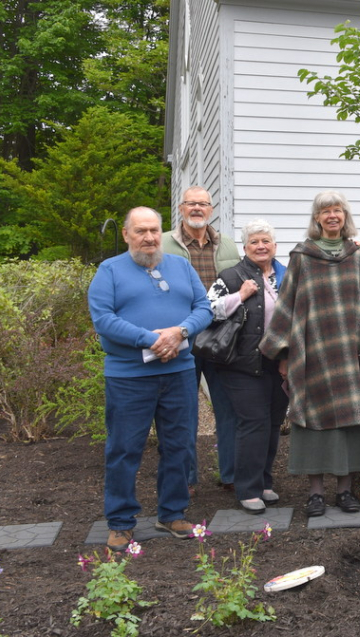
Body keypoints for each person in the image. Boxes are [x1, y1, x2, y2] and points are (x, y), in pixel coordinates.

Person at [88, 207, 212, 552]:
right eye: (140, 231)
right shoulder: (109, 271)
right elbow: (103, 319)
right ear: (127, 234)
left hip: (179, 373)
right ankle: (121, 522)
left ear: (163, 233)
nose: (149, 237)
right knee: (124, 449)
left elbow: (204, 308)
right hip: (129, 377)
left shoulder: (181, 266)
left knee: (180, 446)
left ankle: (172, 513)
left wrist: (179, 331)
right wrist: (152, 340)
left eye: (154, 230)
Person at [260, 191, 360, 517]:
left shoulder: (359, 258)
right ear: (317, 219)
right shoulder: (302, 257)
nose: (332, 216)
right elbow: (288, 306)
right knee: (314, 424)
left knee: (351, 424)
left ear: (345, 217)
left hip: (352, 355)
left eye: (338, 211)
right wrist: (285, 354)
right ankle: (316, 494)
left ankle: (344, 491)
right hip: (312, 354)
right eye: (326, 212)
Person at [206, 219, 289, 515]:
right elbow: (208, 311)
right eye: (254, 241)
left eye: (266, 240)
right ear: (245, 247)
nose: (261, 246)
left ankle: (264, 482)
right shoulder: (231, 276)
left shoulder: (288, 276)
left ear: (275, 246)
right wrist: (239, 296)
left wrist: (288, 358)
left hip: (278, 362)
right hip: (241, 364)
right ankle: (248, 488)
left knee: (273, 422)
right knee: (253, 422)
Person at [162, 186, 241, 493]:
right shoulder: (165, 244)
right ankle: (187, 477)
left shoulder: (227, 245)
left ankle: (231, 475)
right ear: (181, 208)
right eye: (191, 203)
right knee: (183, 410)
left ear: (211, 209)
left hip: (221, 339)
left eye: (203, 204)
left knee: (229, 407)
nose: (197, 208)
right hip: (181, 337)